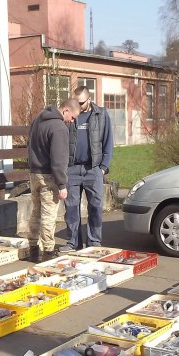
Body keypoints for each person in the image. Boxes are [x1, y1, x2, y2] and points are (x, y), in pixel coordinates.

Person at [59, 85, 113, 251]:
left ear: (89, 99)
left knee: (95, 208)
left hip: (93, 169)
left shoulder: (101, 115)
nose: (78, 106)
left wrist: (103, 167)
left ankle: (94, 243)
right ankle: (73, 243)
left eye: (81, 103)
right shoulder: (70, 116)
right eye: (76, 102)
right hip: (72, 169)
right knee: (71, 209)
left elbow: (108, 141)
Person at [26, 98, 80, 261]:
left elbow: (30, 145)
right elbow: (59, 159)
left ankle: (33, 249)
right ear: (66, 110)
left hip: (34, 173)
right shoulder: (59, 128)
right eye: (73, 117)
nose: (72, 121)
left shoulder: (38, 119)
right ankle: (48, 252)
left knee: (36, 212)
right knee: (48, 215)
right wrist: (62, 184)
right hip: (49, 176)